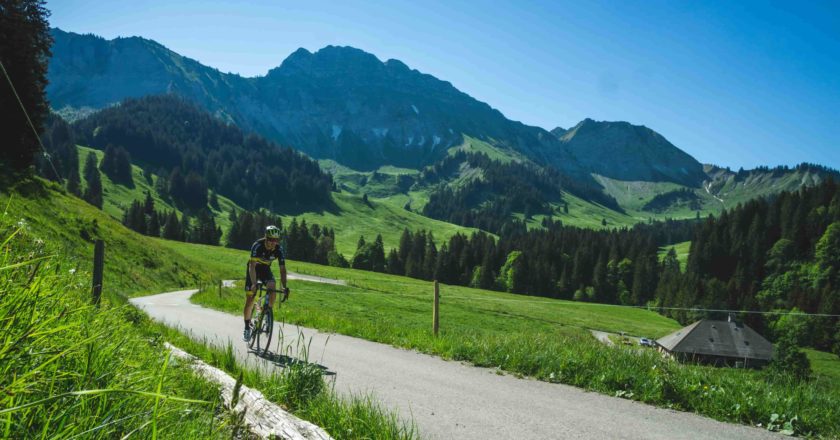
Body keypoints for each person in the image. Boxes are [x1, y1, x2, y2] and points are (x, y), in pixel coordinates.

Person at [243, 225, 289, 341]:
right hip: (254, 269)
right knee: (250, 299)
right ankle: (247, 327)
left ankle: (266, 312)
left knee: (272, 288)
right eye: (270, 239)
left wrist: (284, 287)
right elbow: (252, 266)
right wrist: (254, 283)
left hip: (265, 270)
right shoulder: (257, 245)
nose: (273, 243)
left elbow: (282, 270)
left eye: (276, 240)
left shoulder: (279, 249)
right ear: (265, 237)